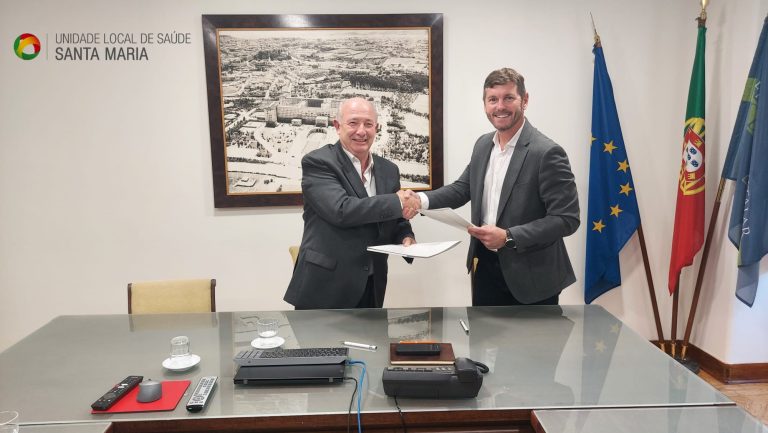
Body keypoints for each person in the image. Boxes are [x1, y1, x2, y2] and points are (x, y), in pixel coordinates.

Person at [407, 68, 579, 306]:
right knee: (482, 331)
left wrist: (508, 237)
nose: (500, 106)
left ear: (525, 100)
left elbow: (566, 219)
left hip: (533, 277)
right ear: (485, 104)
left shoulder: (547, 152)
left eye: (508, 98)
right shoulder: (483, 145)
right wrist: (419, 201)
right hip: (485, 268)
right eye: (493, 99)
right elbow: (462, 188)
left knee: (534, 334)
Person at [284, 97, 417, 310]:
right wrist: (397, 201)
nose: (361, 131)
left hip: (372, 283)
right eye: (353, 123)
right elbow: (342, 210)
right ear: (338, 126)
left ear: (377, 128)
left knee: (374, 334)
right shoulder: (318, 162)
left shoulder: (389, 170)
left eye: (368, 124)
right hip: (325, 287)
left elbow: (395, 217)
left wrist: (405, 236)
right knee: (320, 336)